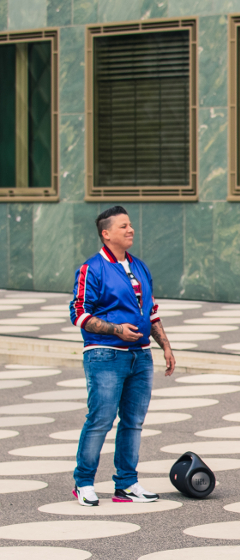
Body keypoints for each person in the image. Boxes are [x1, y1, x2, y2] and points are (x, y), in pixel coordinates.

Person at [68, 206, 176, 507]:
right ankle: (84, 482)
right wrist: (116, 329)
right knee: (100, 419)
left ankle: (126, 485)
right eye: (123, 226)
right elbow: (79, 314)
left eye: (130, 225)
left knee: (133, 422)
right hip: (105, 355)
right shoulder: (92, 268)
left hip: (140, 356)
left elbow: (151, 311)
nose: (130, 230)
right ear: (106, 233)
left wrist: (165, 345)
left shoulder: (139, 267)